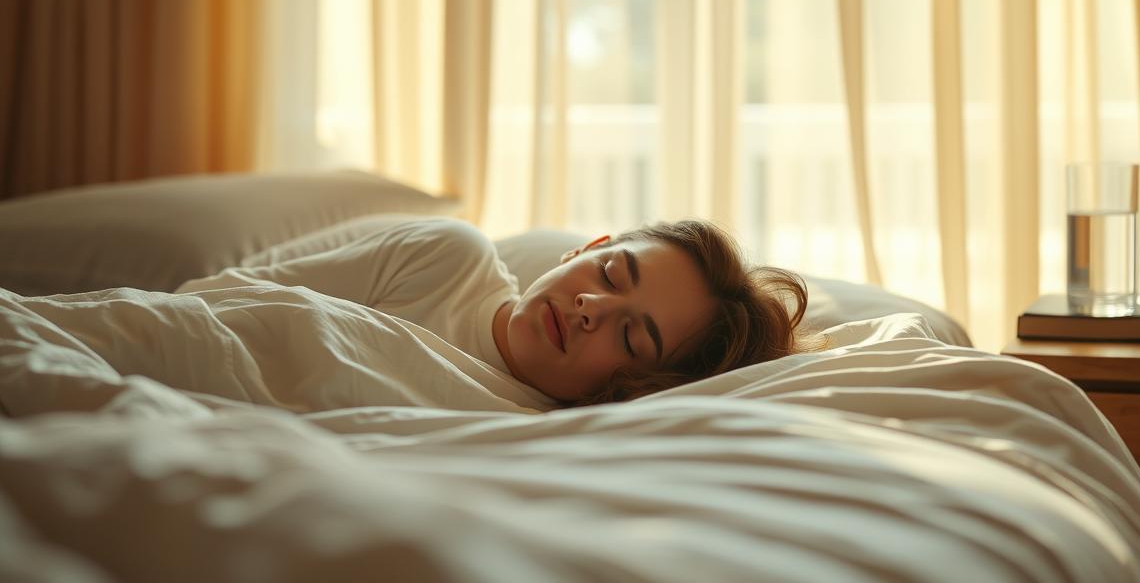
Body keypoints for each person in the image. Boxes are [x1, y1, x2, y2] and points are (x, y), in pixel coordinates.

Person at [179, 217, 811, 406]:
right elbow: (212, 300)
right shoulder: (446, 261)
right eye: (612, 272)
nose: (593, 305)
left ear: (639, 383)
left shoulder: (548, 430)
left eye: (631, 337)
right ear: (588, 248)